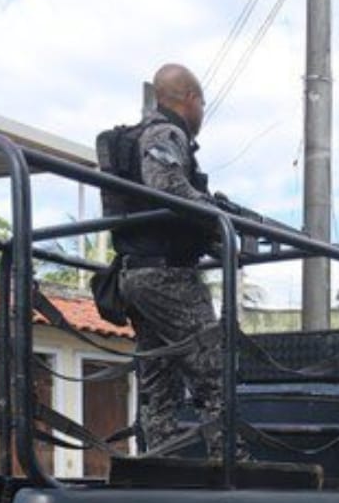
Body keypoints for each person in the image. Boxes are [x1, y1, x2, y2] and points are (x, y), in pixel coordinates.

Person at [98, 63, 239, 459]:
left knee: (158, 379)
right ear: (190, 99)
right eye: (202, 104)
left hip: (137, 275)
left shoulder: (130, 139)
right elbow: (167, 186)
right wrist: (219, 216)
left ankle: (158, 461)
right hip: (167, 275)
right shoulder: (166, 132)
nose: (202, 114)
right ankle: (231, 461)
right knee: (214, 373)